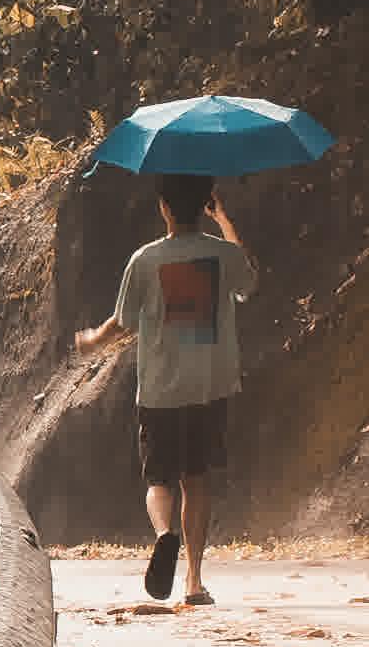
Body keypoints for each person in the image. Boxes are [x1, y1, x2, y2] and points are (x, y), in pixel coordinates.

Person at [72, 172, 256, 604]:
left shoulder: (145, 259)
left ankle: (163, 533)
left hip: (159, 389)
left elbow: (123, 320)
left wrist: (94, 338)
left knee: (159, 480)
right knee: (197, 480)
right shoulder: (223, 255)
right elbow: (249, 282)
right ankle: (193, 581)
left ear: (165, 208)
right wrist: (225, 219)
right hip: (208, 387)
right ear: (204, 205)